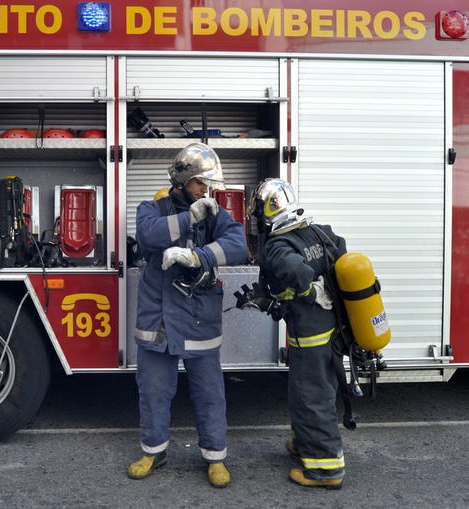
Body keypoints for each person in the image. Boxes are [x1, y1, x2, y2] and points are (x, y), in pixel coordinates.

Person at [127, 143, 248, 488]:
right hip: (159, 322)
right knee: (153, 392)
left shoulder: (215, 213)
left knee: (209, 394)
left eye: (208, 183)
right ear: (181, 179)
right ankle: (154, 452)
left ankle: (215, 458)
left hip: (198, 319)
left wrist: (199, 257)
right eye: (199, 182)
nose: (205, 189)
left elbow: (239, 244)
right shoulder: (152, 208)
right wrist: (188, 219)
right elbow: (147, 235)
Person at [250, 178, 347, 490]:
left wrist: (311, 291)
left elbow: (296, 271)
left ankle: (325, 469)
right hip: (331, 330)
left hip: (310, 334)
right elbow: (341, 250)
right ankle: (304, 442)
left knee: (311, 397)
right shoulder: (317, 231)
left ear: (267, 211)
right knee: (313, 391)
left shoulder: (278, 245)